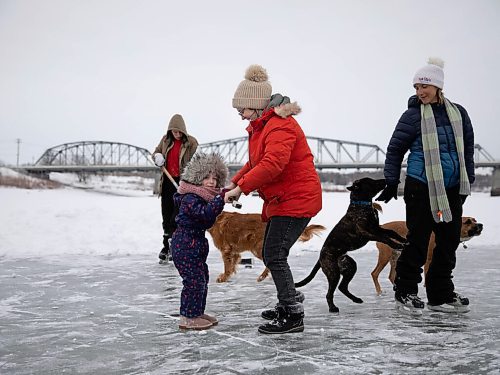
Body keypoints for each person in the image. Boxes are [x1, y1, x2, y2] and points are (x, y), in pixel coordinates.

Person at [224, 64, 322, 334]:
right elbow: (256, 162)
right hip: (284, 200)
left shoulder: (280, 126)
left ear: (256, 105)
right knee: (273, 253)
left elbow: (271, 165)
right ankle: (287, 300)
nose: (241, 115)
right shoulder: (263, 126)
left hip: (297, 200)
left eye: (241, 109)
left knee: (274, 255)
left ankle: (292, 313)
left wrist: (241, 188)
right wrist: (236, 181)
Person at [376, 58, 475, 313]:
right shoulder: (412, 116)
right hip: (420, 187)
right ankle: (405, 291)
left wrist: (468, 180)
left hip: (452, 188)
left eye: (424, 86)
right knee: (418, 242)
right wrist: (391, 180)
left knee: (448, 242)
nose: (420, 92)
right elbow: (395, 149)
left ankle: (441, 294)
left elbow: (467, 150)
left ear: (438, 87)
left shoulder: (459, 113)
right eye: (416, 87)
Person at [170, 152, 228, 330]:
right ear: (196, 178)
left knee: (202, 278)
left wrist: (218, 200)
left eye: (215, 178)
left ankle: (197, 312)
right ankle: (188, 317)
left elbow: (207, 217)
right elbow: (205, 215)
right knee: (193, 281)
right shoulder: (190, 198)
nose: (212, 182)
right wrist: (220, 200)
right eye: (206, 177)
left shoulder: (202, 197)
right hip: (185, 244)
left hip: (195, 243)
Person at [152, 114, 198, 262]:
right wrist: (158, 156)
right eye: (174, 132)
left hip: (182, 184)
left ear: (183, 131)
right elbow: (155, 153)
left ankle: (175, 246)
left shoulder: (191, 143)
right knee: (166, 216)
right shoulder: (165, 140)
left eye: (179, 132)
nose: (176, 135)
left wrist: (189, 182)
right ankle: (166, 247)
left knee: (176, 217)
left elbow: (195, 164)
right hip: (167, 183)